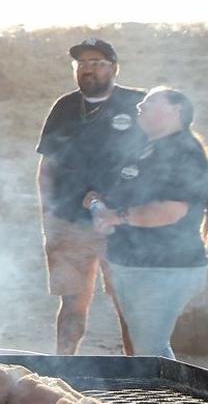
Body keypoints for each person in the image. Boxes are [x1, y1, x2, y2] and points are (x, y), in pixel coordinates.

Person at [36, 38, 145, 355]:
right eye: (82, 63)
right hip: (69, 221)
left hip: (123, 224)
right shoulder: (65, 107)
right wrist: (48, 215)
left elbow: (158, 159)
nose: (88, 69)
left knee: (129, 306)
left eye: (97, 62)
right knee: (72, 305)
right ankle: (65, 372)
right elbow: (47, 165)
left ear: (114, 68)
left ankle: (138, 376)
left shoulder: (137, 103)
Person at [85, 88, 208, 358]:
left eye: (150, 101)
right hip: (134, 262)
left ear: (175, 111)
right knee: (143, 346)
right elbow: (130, 193)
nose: (140, 104)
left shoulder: (184, 151)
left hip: (165, 266)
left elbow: (171, 210)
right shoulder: (146, 147)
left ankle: (169, 400)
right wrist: (101, 202)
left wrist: (118, 216)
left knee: (152, 349)